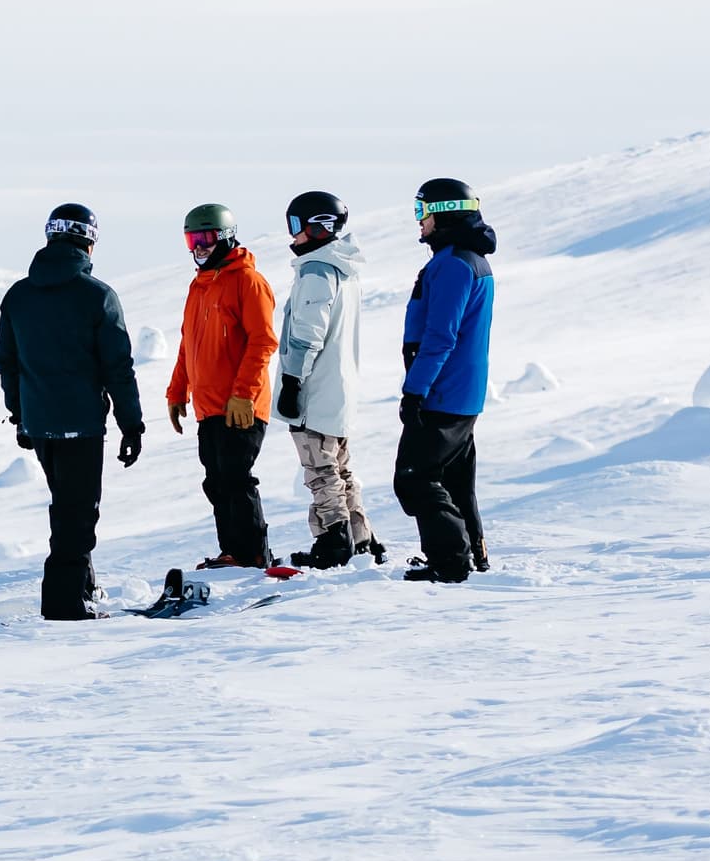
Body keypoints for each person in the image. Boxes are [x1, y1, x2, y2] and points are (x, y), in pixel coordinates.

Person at [0, 201, 144, 620]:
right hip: (81, 424)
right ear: (90, 243)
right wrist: (131, 424)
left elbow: (8, 363)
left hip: (40, 424)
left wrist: (21, 415)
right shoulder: (98, 297)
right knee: (77, 514)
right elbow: (117, 367)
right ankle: (62, 605)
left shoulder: (19, 295)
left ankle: (82, 586)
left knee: (67, 505)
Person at [164, 201, 279, 570]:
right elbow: (188, 344)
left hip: (239, 405)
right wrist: (177, 391)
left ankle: (252, 554)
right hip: (209, 405)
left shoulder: (247, 281)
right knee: (216, 481)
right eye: (191, 239)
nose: (198, 246)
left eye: (206, 238)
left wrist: (243, 394)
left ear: (226, 237)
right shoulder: (199, 287)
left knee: (235, 477)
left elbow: (263, 341)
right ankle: (233, 551)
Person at [272, 191, 384, 570]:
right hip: (337, 389)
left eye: (295, 225)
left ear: (318, 227)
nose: (292, 235)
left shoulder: (317, 271)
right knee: (339, 465)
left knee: (320, 468)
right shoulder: (343, 270)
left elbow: (307, 333)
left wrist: (291, 381)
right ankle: (359, 535)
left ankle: (333, 540)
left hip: (314, 390)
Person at [396, 174, 497, 582]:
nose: (417, 220)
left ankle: (451, 561)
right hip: (461, 392)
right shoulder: (465, 258)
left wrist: (414, 391)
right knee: (454, 480)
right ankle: (473, 554)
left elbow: (441, 336)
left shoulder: (455, 264)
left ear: (442, 213)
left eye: (421, 211)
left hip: (443, 393)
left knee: (414, 479)